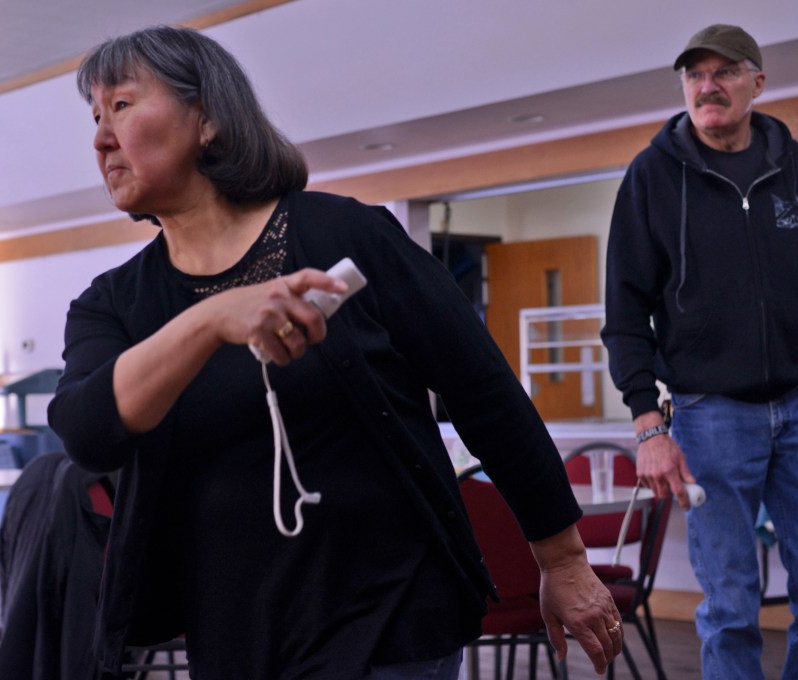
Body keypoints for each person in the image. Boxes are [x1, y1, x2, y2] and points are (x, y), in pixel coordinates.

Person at [48, 25, 621, 680]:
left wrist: (563, 560)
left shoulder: (343, 235)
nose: (101, 137)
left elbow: (482, 391)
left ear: (207, 119)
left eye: (122, 105)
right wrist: (208, 321)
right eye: (95, 116)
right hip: (235, 633)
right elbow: (89, 431)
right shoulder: (114, 303)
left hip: (389, 611)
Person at [602, 23, 798, 680]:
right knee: (730, 606)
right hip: (711, 414)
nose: (708, 86)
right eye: (695, 74)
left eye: (725, 72)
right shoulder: (651, 176)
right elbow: (624, 313)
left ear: (757, 83)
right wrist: (648, 425)